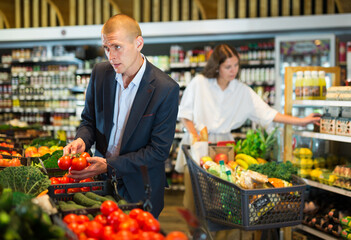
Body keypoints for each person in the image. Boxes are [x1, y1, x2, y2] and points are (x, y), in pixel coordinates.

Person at [175, 43, 321, 214]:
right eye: (228, 66)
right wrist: (195, 136)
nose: (233, 70)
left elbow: (267, 113)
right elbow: (185, 114)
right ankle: (196, 234)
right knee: (195, 200)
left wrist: (300, 121)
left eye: (236, 65)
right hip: (198, 144)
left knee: (222, 202)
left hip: (224, 147)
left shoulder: (241, 91)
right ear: (216, 67)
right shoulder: (199, 83)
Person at [63, 14, 180, 218]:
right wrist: (82, 139)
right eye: (106, 48)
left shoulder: (165, 88)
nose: (111, 56)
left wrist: (111, 165)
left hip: (141, 188)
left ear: (138, 43)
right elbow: (89, 120)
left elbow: (158, 151)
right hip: (99, 184)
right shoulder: (100, 73)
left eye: (117, 47)